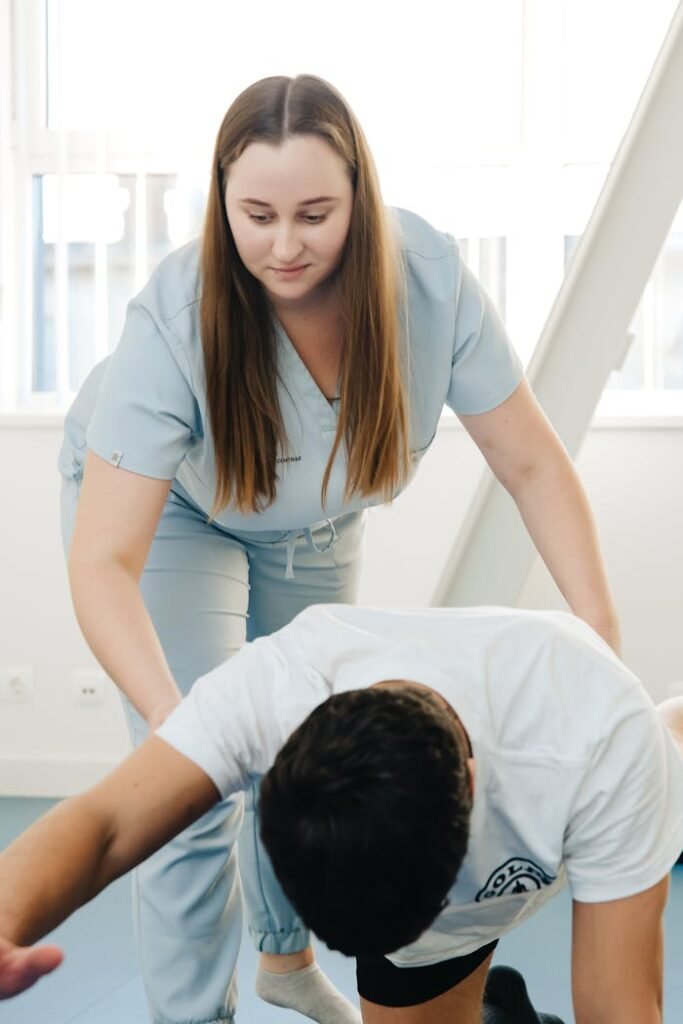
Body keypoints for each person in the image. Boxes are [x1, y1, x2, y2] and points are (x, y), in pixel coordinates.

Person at [57, 74, 621, 1024]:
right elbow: (102, 559)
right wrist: (178, 727)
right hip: (177, 517)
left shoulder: (430, 281)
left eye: (315, 214)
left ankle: (284, 960)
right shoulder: (176, 314)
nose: (284, 246)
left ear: (359, 195)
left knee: (310, 755)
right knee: (195, 794)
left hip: (313, 519)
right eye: (256, 215)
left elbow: (529, 465)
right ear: (220, 203)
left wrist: (597, 637)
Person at [1, 605, 681, 1024]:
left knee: (660, 750)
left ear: (473, 788)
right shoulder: (272, 689)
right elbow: (107, 824)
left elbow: (619, 1011)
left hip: (582, 823)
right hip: (435, 913)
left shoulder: (596, 735)